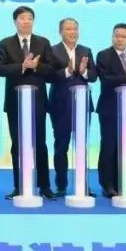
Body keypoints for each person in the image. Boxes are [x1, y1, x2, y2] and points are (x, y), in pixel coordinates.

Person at [0, 5, 56, 200]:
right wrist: (21, 66)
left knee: (40, 144)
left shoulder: (43, 42)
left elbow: (51, 71)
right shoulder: (6, 43)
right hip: (15, 102)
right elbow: (0, 69)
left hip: (37, 101)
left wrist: (37, 66)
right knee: (17, 145)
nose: (26, 21)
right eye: (22, 18)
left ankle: (44, 186)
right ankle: (19, 185)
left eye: (29, 18)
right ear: (15, 21)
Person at [47, 18, 97, 197]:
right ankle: (61, 185)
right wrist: (67, 71)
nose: (72, 32)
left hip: (83, 104)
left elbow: (93, 76)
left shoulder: (86, 51)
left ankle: (83, 184)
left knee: (82, 146)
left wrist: (84, 71)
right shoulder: (52, 50)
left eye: (75, 29)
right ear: (60, 32)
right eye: (68, 29)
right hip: (60, 105)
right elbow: (48, 76)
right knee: (61, 145)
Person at [95, 23, 126, 198]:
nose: (120, 39)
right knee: (109, 146)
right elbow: (106, 79)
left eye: (124, 36)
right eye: (117, 35)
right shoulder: (103, 55)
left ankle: (123, 183)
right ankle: (107, 185)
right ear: (112, 36)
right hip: (109, 109)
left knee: (123, 147)